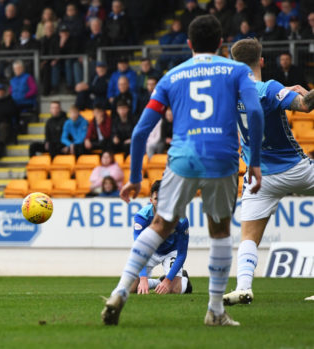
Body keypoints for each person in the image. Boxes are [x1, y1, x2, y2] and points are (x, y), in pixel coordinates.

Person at [103, 15, 264, 327]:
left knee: (161, 224)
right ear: (221, 44)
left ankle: (121, 289)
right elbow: (255, 111)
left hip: (182, 158)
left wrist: (136, 178)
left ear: (189, 44)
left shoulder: (171, 76)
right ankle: (215, 310)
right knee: (219, 232)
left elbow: (139, 132)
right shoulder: (237, 70)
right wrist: (254, 160)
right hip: (222, 158)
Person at [223, 38, 314, 306]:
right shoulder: (269, 88)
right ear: (261, 61)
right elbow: (306, 105)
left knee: (249, 236)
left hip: (258, 176)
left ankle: (243, 288)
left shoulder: (228, 93)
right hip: (296, 169)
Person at [130, 180, 192, 295]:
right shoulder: (142, 217)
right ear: (151, 200)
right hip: (149, 251)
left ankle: (184, 280)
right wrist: (143, 279)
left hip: (171, 251)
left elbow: (182, 254)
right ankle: (158, 282)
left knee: (173, 290)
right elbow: (139, 249)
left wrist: (168, 281)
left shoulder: (181, 219)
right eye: (157, 199)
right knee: (131, 288)